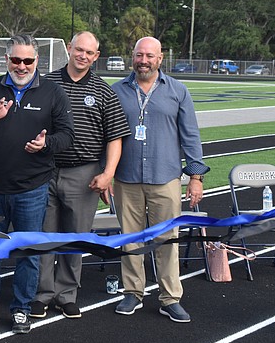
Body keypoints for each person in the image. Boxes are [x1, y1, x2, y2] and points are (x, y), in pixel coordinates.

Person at [0, 34, 74, 334]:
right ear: (6, 59)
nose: (21, 66)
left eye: (28, 60)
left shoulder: (53, 92)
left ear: (37, 60)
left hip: (32, 188)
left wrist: (46, 143)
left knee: (27, 251)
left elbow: (67, 136)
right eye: (15, 60)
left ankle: (22, 307)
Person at [32, 32, 130, 319]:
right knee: (45, 235)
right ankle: (42, 293)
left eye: (89, 52)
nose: (83, 56)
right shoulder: (45, 82)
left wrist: (108, 173)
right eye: (79, 50)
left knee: (75, 236)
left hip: (83, 172)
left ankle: (66, 294)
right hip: (45, 169)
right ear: (69, 49)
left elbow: (115, 137)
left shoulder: (103, 91)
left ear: (96, 56)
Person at [111, 36, 209, 323]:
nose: (143, 60)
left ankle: (169, 298)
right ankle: (133, 292)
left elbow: (191, 137)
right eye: (139, 55)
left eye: (149, 56)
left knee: (168, 240)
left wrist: (195, 177)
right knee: (131, 239)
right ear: (132, 56)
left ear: (160, 58)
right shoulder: (117, 91)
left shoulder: (177, 91)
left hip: (165, 177)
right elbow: (108, 136)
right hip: (126, 178)